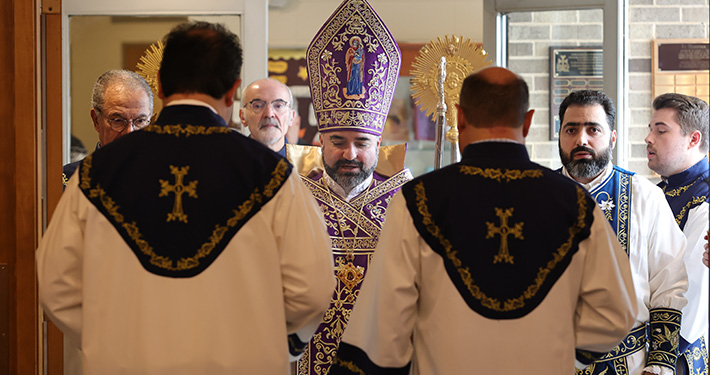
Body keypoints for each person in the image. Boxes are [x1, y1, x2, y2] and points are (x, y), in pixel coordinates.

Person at [37, 21, 334, 374]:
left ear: (160, 85)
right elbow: (312, 289)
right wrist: (265, 343)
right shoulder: (273, 174)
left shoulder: (95, 173)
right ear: (232, 92)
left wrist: (113, 339)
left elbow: (56, 284)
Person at [328, 67, 638, 375]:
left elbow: (383, 324)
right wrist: (557, 352)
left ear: (459, 117)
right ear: (527, 122)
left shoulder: (417, 201)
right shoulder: (576, 203)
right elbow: (614, 313)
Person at [288, 1, 412, 373]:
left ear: (380, 143)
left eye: (362, 143)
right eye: (338, 141)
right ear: (320, 140)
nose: (350, 154)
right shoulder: (292, 197)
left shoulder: (407, 202)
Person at [557, 90, 688, 375]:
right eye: (571, 129)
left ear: (612, 137)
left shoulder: (645, 197)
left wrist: (660, 365)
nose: (581, 139)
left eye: (593, 129)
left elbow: (669, 284)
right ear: (560, 136)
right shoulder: (536, 197)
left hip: (627, 365)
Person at [645, 93, 709, 375]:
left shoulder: (704, 199)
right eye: (650, 129)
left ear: (693, 139)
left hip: (676, 355)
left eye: (660, 130)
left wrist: (658, 360)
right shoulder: (656, 193)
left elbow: (693, 292)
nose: (648, 138)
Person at [62, 69, 153, 187]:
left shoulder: (168, 180)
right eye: (118, 121)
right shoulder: (69, 181)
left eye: (140, 121)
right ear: (96, 120)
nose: (130, 131)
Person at [240, 78, 295, 156]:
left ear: (291, 117)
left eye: (278, 106)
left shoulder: (311, 164)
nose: (269, 114)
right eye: (258, 106)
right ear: (242, 117)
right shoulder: (225, 164)